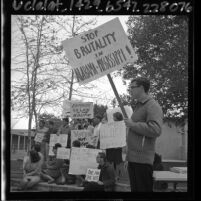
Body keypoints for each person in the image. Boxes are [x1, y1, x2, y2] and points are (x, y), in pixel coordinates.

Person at [124, 77, 163, 192]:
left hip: (143, 160)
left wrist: (132, 125)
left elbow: (156, 130)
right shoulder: (139, 106)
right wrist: (128, 157)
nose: (130, 90)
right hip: (133, 159)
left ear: (141, 88)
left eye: (132, 87)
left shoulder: (152, 105)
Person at [106, 112, 123, 181]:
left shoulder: (121, 125)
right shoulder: (112, 125)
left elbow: (121, 135)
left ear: (117, 117)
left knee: (117, 161)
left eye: (114, 117)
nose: (113, 118)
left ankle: (117, 176)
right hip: (111, 145)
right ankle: (111, 175)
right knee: (110, 160)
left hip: (117, 146)